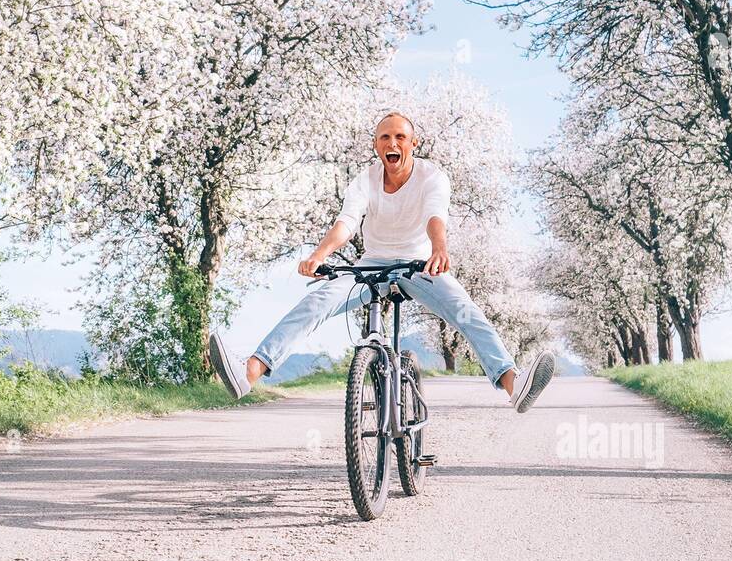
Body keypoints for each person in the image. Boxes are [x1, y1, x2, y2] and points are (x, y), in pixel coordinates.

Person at [208, 111, 555, 411]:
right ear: (376, 146)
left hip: (419, 265)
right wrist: (319, 255)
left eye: (400, 137)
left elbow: (435, 215)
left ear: (413, 144)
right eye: (385, 137)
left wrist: (439, 250)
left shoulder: (431, 177)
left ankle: (513, 384)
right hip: (370, 265)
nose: (393, 143)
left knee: (465, 311)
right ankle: (250, 372)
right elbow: (346, 223)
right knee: (315, 303)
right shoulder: (365, 180)